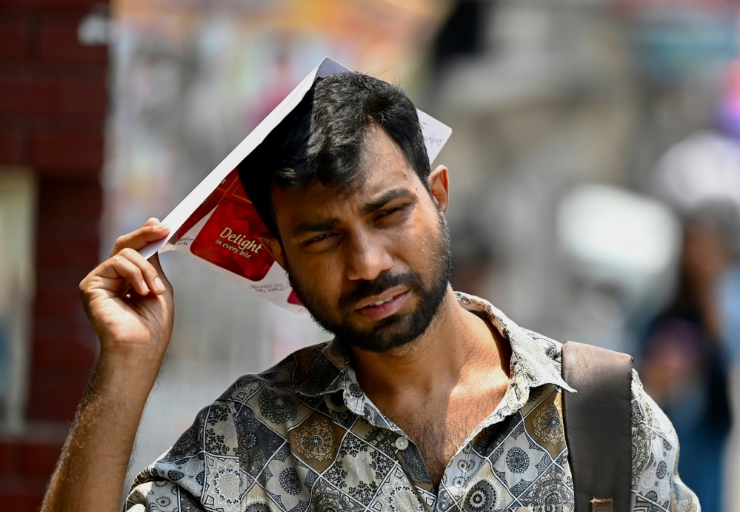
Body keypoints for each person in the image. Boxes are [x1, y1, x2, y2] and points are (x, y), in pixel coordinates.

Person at [40, 72, 699, 511]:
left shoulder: (598, 413)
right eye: (323, 238)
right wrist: (122, 371)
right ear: (280, 256)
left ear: (438, 197)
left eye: (388, 215)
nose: (366, 263)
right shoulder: (250, 439)